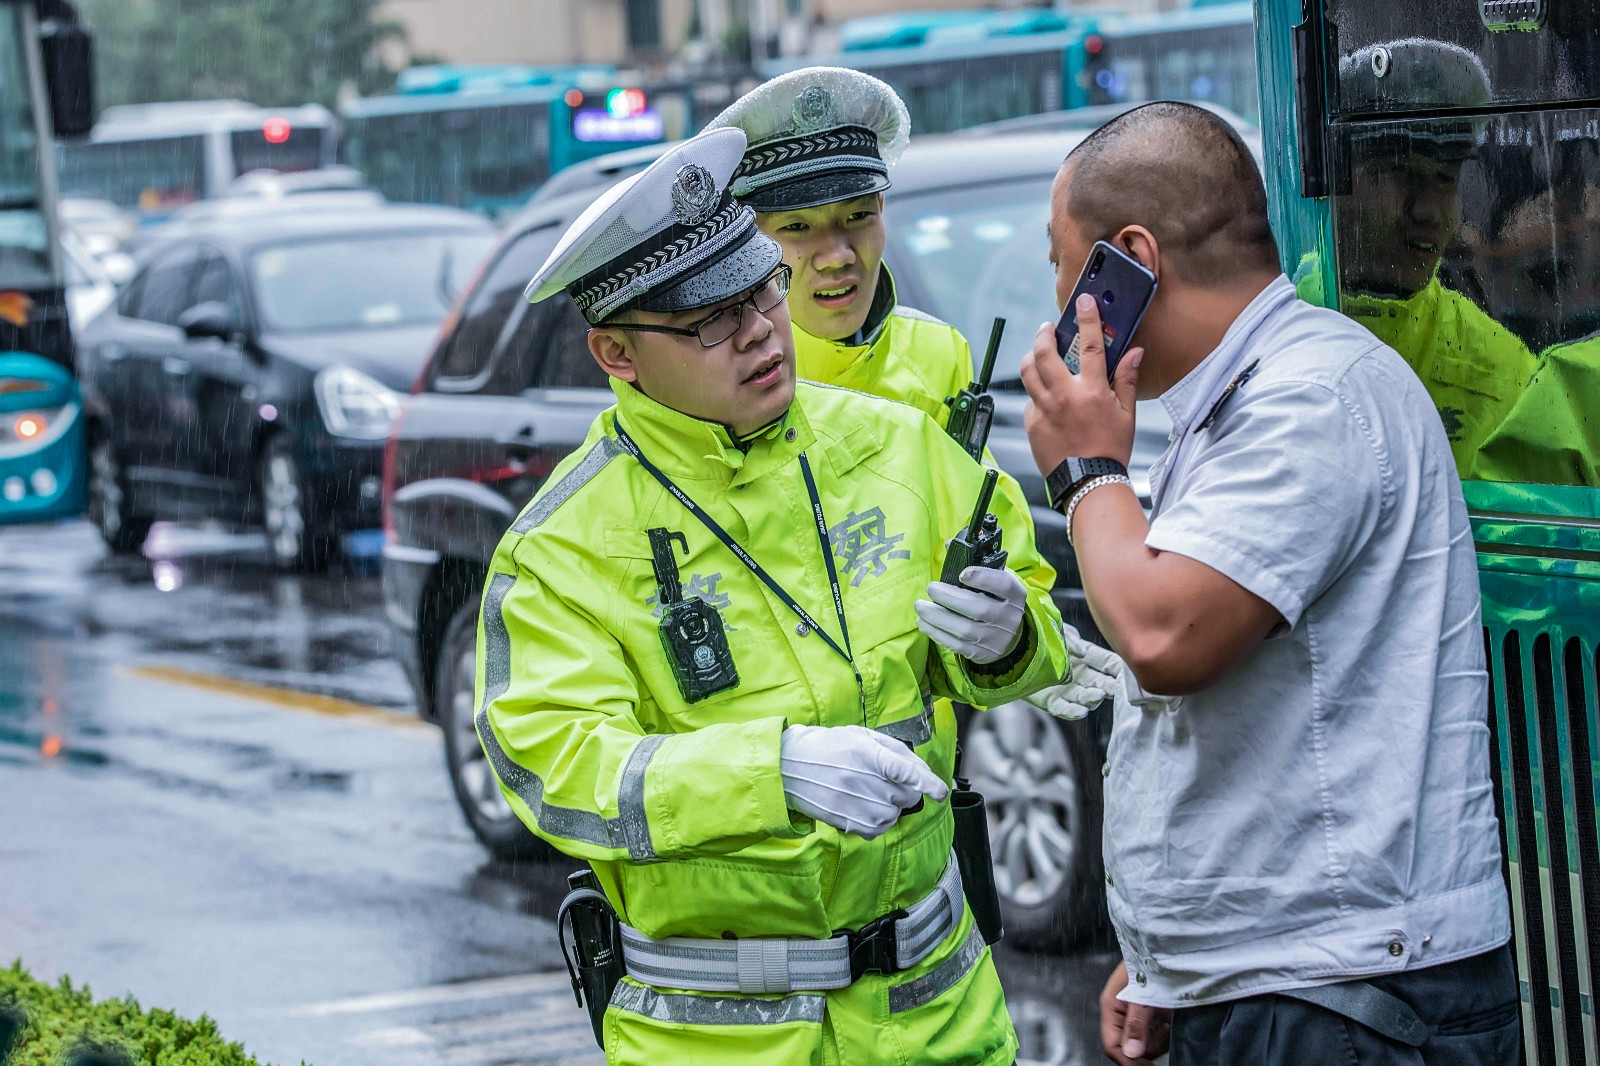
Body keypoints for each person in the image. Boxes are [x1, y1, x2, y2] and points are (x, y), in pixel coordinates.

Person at [476, 127, 1067, 1066]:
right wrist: (772, 772)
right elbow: (555, 771)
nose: (759, 330)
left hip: (944, 1020)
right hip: (720, 1044)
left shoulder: (898, 447)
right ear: (617, 354)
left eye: (760, 291)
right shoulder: (561, 548)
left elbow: (1027, 633)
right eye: (710, 320)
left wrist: (1005, 642)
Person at [1018, 102, 1516, 1065]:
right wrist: (1177, 959)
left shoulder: (1309, 397)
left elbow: (1164, 637)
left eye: (1061, 264)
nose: (1057, 298)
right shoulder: (1251, 395)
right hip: (1294, 979)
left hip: (1346, 999)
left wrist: (1086, 470)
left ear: (1130, 259)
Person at [1295, 40, 1535, 476]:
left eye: (1444, 179)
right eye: (1397, 173)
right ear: (1336, 186)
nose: (1426, 210)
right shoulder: (1272, 329)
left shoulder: (1501, 366)